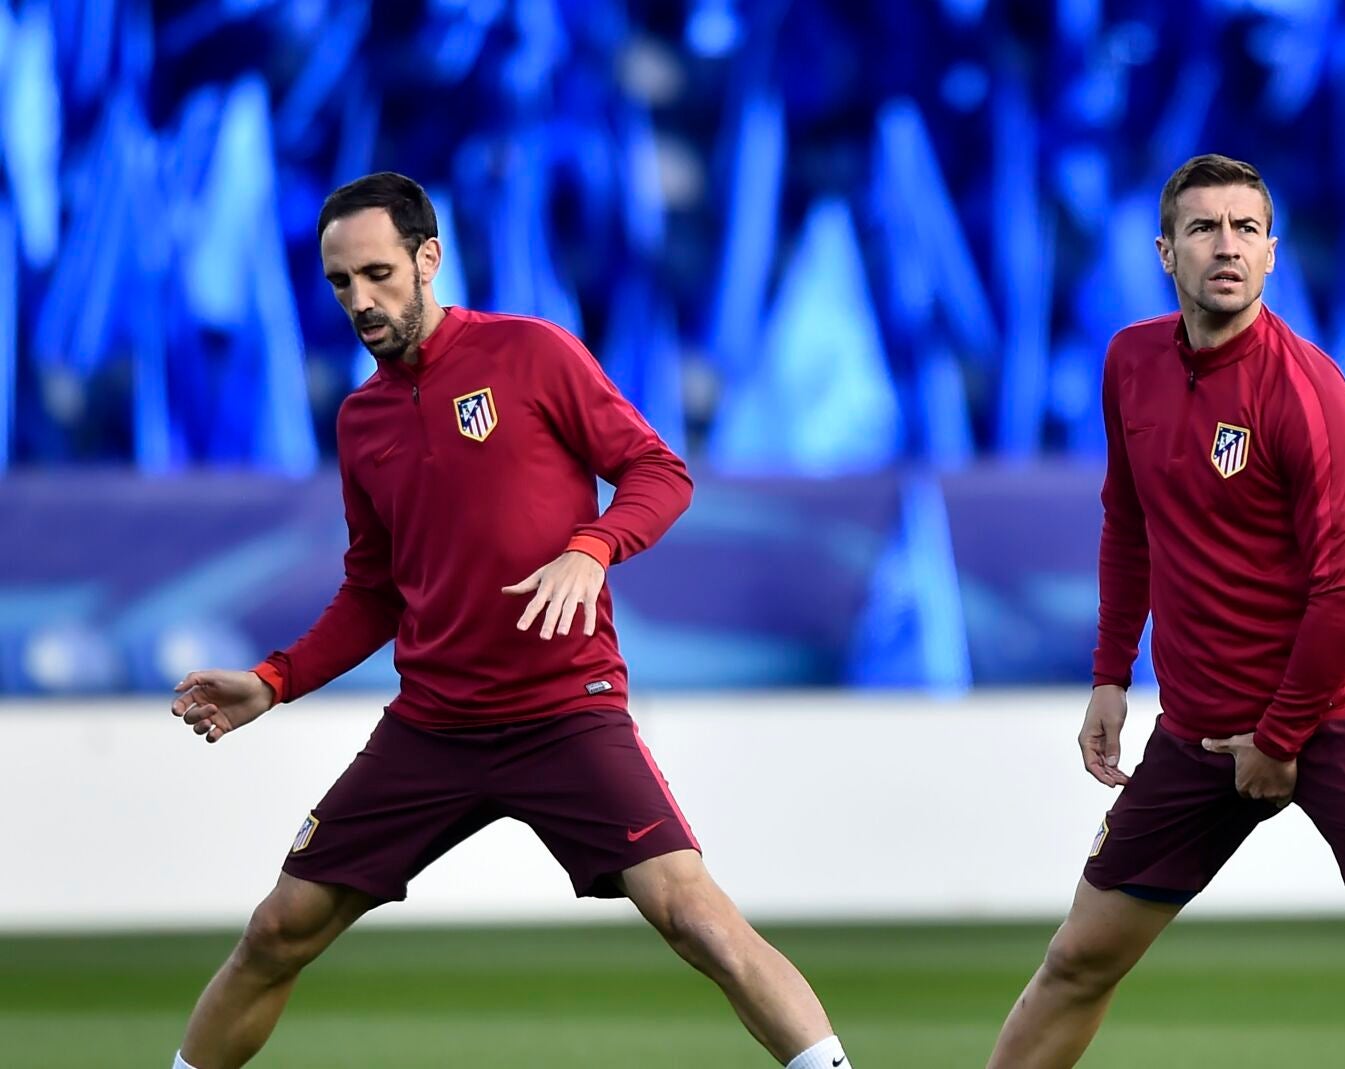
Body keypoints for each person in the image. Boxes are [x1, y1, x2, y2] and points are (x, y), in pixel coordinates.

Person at [167, 172, 852, 1069]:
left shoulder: (533, 354)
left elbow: (659, 472)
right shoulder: (361, 420)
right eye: (340, 284)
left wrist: (592, 546)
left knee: (696, 916)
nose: (360, 302)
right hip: (435, 727)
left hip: (566, 709)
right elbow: (376, 590)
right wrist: (273, 680)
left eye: (377, 274)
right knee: (275, 930)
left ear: (429, 258)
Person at [985, 154, 1345, 1068]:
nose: (1227, 247)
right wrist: (1108, 673)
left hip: (1326, 720)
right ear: (1165, 251)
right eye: (1205, 228)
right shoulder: (1129, 361)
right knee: (1078, 959)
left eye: (1246, 229)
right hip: (1197, 735)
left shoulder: (1305, 388)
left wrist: (1283, 737)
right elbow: (1127, 524)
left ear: (1272, 254)